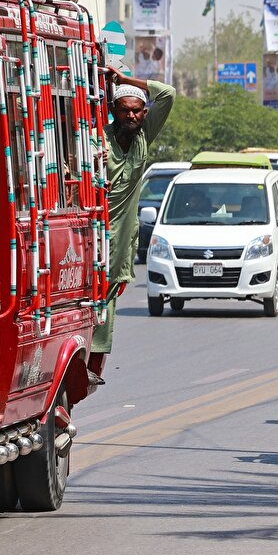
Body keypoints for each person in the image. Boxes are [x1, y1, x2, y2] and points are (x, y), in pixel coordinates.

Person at [90, 67, 176, 382]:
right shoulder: (98, 140)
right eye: (124, 109)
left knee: (107, 299)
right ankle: (84, 363)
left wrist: (125, 81)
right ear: (114, 111)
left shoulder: (143, 137)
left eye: (137, 110)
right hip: (93, 232)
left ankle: (93, 368)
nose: (131, 115)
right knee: (92, 299)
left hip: (121, 238)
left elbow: (168, 94)